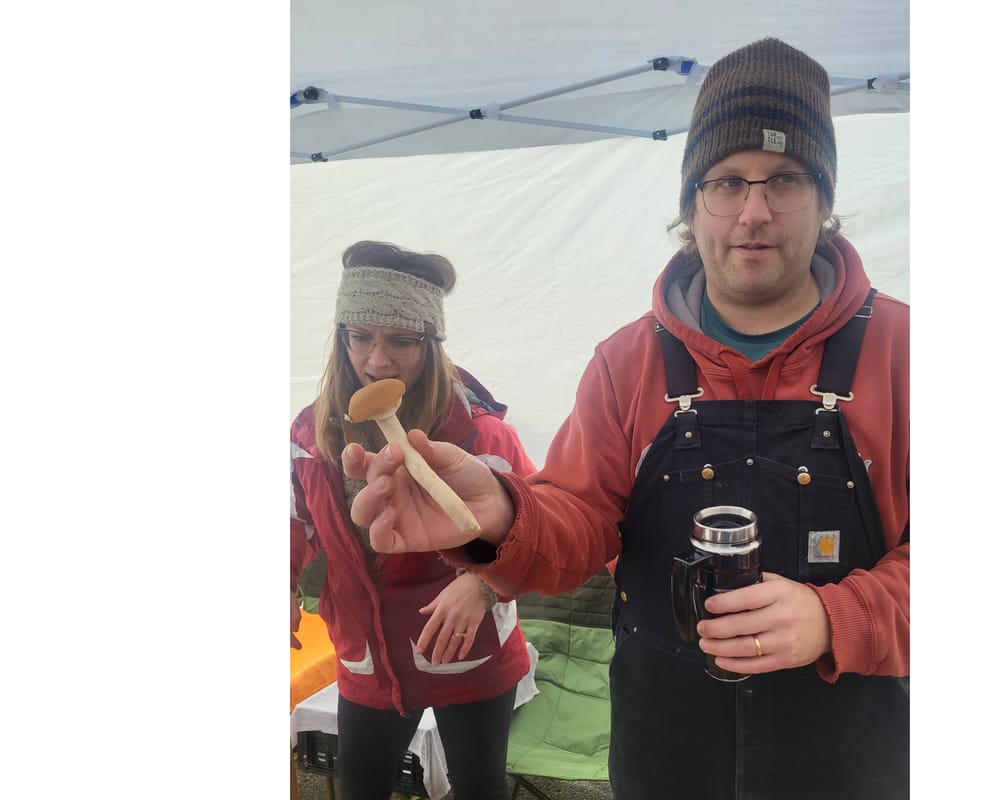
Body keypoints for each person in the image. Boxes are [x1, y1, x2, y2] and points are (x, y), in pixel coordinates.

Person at [345, 38, 909, 800]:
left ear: (824, 197)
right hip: (663, 753)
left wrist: (838, 617)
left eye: (786, 180)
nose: (754, 211)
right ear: (690, 202)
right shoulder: (626, 362)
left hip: (851, 758)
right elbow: (575, 529)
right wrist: (500, 521)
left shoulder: (906, 352)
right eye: (727, 181)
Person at [289, 240, 538, 800]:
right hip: (367, 656)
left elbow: (535, 526)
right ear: (341, 338)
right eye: (360, 337)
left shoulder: (482, 435)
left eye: (401, 341)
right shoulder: (310, 436)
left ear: (431, 343)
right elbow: (292, 520)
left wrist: (482, 582)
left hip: (467, 651)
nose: (376, 361)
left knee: (480, 789)